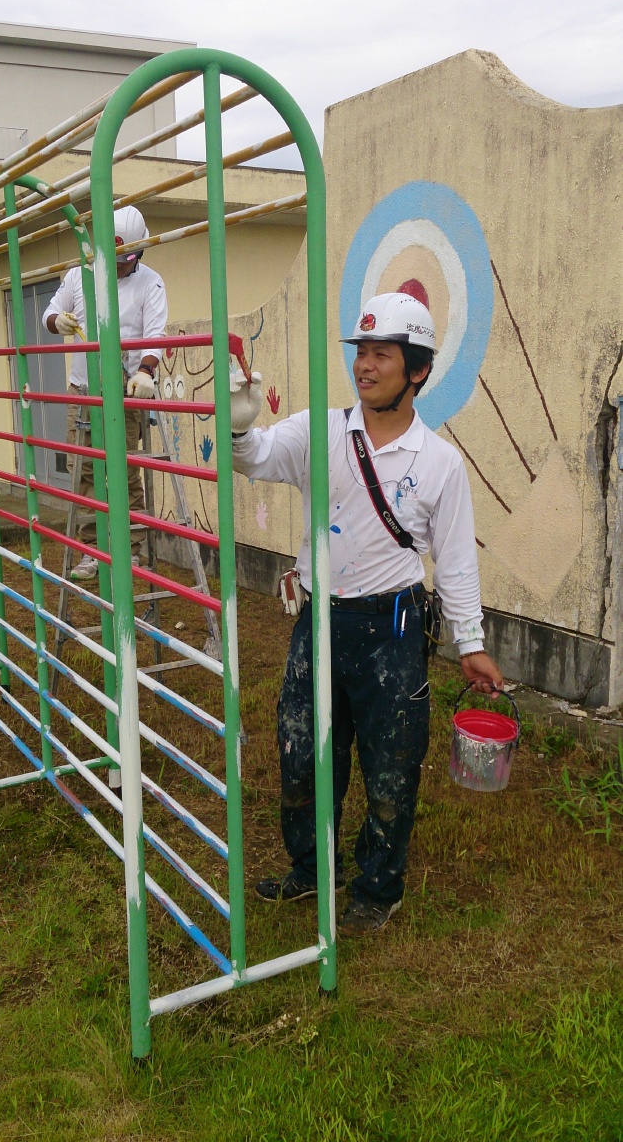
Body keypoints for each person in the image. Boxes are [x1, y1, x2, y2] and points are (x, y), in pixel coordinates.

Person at [230, 291, 504, 937]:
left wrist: (470, 641)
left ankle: (377, 890)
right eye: (360, 352)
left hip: (393, 629)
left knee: (389, 765)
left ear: (416, 370)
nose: (364, 365)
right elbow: (257, 458)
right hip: (318, 624)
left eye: (382, 354)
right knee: (302, 756)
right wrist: (238, 425)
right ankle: (309, 869)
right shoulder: (318, 432)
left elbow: (457, 561)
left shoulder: (439, 463)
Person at [43, 206, 167, 580]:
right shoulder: (80, 277)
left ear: (139, 252)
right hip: (83, 390)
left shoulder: (150, 283)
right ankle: (91, 550)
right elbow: (49, 313)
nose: (121, 265)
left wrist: (146, 371)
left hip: (126, 390)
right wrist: (57, 322)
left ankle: (129, 551)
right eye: (115, 258)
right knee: (84, 472)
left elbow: (156, 334)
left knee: (126, 472)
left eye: (128, 258)